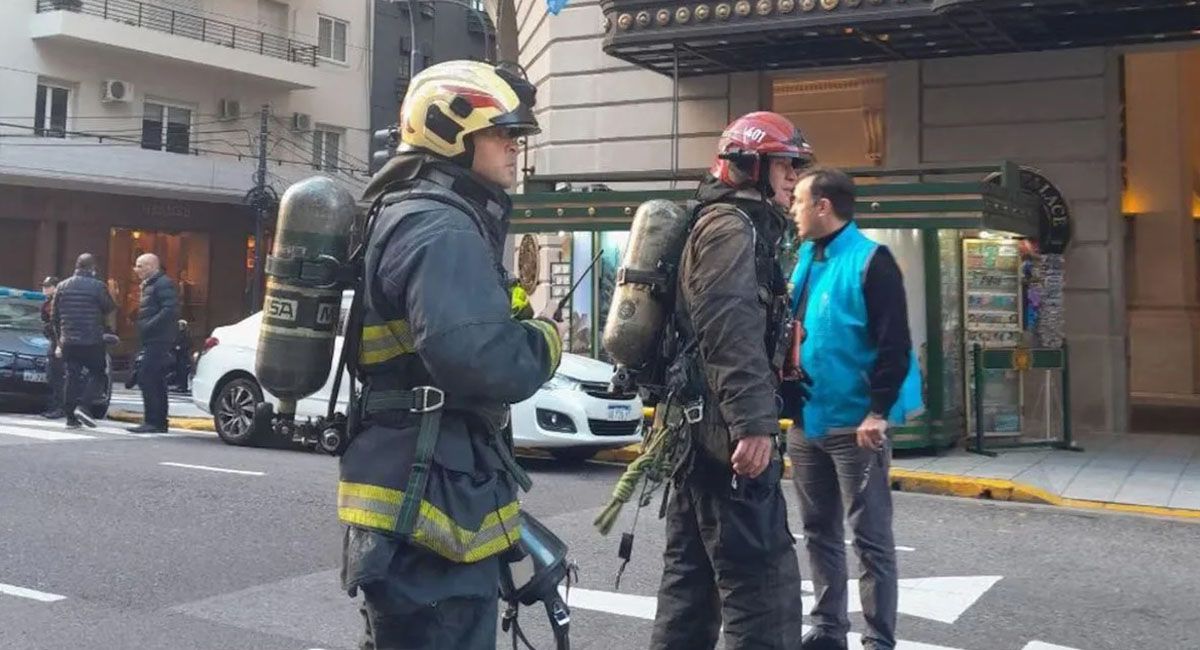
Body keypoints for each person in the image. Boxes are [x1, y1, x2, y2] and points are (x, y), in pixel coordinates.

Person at [338, 60, 561, 650]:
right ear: (450, 135)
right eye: (501, 132)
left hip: (416, 486)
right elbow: (478, 357)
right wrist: (544, 341)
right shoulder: (442, 228)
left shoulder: (411, 211)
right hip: (432, 503)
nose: (516, 146)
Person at [650, 111, 814, 650]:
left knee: (691, 587)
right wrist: (753, 424)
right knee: (763, 589)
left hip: (699, 432)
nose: (793, 176)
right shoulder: (731, 228)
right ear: (749, 164)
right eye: (785, 164)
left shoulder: (733, 225)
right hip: (724, 437)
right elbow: (728, 328)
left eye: (796, 165)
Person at [786, 167, 923, 650]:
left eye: (799, 201)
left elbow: (896, 344)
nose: (793, 208)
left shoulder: (871, 261)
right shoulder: (804, 257)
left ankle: (878, 641)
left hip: (854, 426)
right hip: (807, 421)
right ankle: (827, 629)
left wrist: (878, 412)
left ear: (824, 206)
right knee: (818, 531)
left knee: (869, 539)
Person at [52, 254, 116, 429]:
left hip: (69, 340)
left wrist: (60, 340)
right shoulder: (98, 286)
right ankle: (84, 406)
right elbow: (109, 307)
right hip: (91, 339)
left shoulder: (62, 286)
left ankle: (70, 418)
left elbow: (54, 317)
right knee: (98, 372)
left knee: (72, 376)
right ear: (92, 268)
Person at [130, 253, 179, 433]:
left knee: (147, 377)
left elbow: (170, 309)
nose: (136, 270)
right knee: (156, 379)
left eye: (140, 266)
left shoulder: (163, 283)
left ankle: (153, 421)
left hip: (159, 339)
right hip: (153, 338)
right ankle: (157, 421)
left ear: (151, 266)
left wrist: (149, 326)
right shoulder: (151, 285)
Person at [39, 275, 65, 419]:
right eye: (44, 286)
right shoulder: (49, 302)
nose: (44, 289)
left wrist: (59, 345)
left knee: (56, 375)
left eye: (48, 286)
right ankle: (56, 406)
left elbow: (60, 326)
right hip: (54, 341)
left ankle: (60, 407)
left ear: (55, 287)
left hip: (59, 342)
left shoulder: (58, 302)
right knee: (53, 375)